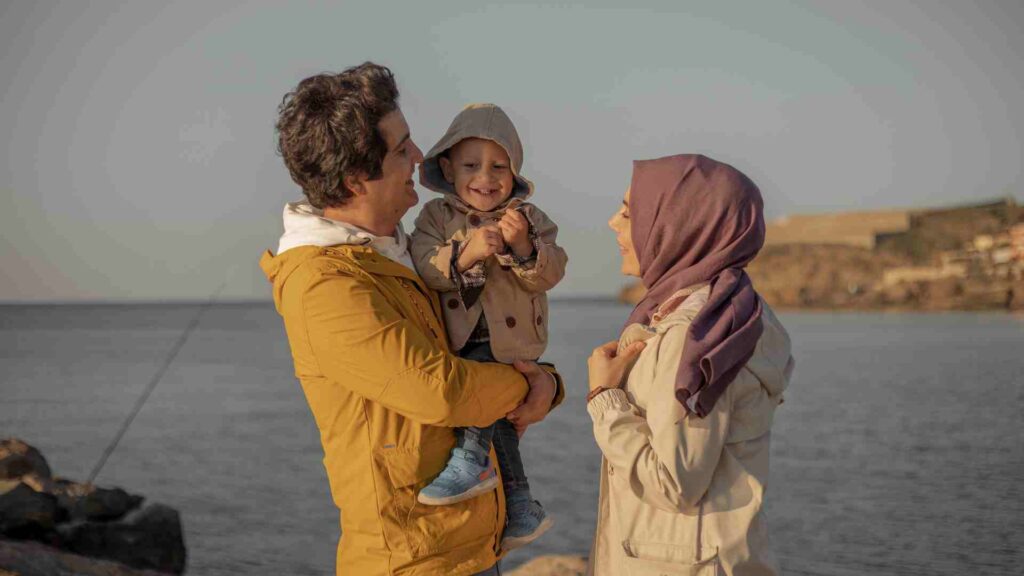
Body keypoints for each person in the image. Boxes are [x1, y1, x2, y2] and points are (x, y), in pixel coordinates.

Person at [259, 62, 564, 576]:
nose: (421, 158)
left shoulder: (403, 252)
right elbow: (440, 391)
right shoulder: (322, 282)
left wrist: (542, 380)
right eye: (402, 149)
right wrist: (534, 387)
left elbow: (479, 342)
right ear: (357, 179)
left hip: (466, 548)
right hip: (410, 561)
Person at [585, 154, 795, 575]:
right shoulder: (734, 313)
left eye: (629, 211)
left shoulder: (698, 335)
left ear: (681, 225)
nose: (613, 222)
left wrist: (605, 399)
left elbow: (673, 483)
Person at [409, 103, 568, 550]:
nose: (486, 177)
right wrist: (467, 251)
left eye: (500, 166)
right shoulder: (436, 218)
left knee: (484, 388)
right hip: (460, 333)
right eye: (471, 165)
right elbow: (426, 267)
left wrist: (522, 247)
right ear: (447, 167)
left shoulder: (531, 218)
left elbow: (551, 273)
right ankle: (520, 505)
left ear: (515, 172)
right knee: (501, 425)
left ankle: (471, 460)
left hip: (513, 339)